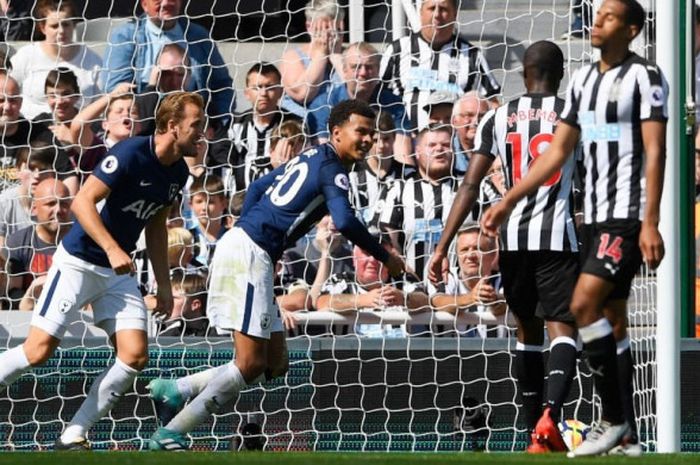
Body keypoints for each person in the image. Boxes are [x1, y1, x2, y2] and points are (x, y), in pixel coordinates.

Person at [147, 99, 405, 450]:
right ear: (336, 132)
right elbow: (344, 221)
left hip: (251, 249)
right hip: (249, 253)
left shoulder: (311, 155)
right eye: (361, 131)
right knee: (250, 363)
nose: (368, 140)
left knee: (275, 362)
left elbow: (255, 188)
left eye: (372, 134)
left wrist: (253, 230)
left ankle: (176, 389)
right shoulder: (334, 168)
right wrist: (385, 256)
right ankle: (172, 432)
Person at [481, 0, 667, 457]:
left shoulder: (646, 78)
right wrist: (508, 197)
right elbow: (557, 151)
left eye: (608, 16)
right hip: (594, 218)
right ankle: (626, 434)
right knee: (616, 321)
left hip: (625, 212)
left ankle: (613, 420)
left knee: (583, 305)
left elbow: (655, 149)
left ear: (633, 29)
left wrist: (650, 221)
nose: (596, 21)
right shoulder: (582, 82)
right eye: (595, 14)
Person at [0, 91, 203, 449]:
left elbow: (157, 225)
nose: (201, 133)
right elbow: (81, 201)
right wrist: (111, 248)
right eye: (195, 125)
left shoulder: (179, 171)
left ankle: (73, 433)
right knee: (38, 351)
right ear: (173, 126)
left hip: (117, 271)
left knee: (135, 355)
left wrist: (165, 285)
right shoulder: (129, 153)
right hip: (79, 261)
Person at [428, 41, 580, 453]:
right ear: (560, 72)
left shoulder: (497, 118)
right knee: (564, 330)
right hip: (558, 237)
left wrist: (442, 247)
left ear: (523, 75)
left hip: (513, 241)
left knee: (527, 332)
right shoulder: (574, 111)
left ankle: (535, 434)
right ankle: (551, 417)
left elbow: (470, 185)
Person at [380, 125, 499, 281]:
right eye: (432, 145)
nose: (439, 149)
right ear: (417, 152)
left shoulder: (479, 186)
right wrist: (401, 267)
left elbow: (500, 227)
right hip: (412, 286)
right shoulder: (398, 189)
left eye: (445, 145)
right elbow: (388, 237)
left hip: (464, 287)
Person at [102, 0, 234, 126]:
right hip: (144, 123)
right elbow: (117, 91)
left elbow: (222, 85)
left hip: (194, 122)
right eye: (158, 0)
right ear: (144, 4)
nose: (165, 3)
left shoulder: (199, 36)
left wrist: (219, 125)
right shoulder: (125, 36)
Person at [379, 0, 501, 129]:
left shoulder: (472, 55)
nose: (437, 14)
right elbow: (378, 95)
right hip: (407, 140)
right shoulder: (397, 50)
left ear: (455, 14)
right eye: (431, 8)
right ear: (421, 13)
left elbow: (492, 103)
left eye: (443, 9)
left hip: (454, 143)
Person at [306, 42, 414, 161]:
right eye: (355, 67)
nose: (363, 73)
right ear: (345, 71)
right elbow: (324, 155)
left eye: (369, 67)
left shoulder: (393, 104)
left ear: (378, 71)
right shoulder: (323, 104)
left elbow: (403, 155)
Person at [316, 232, 429, 337]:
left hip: (400, 353)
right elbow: (322, 302)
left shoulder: (403, 280)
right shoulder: (341, 280)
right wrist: (361, 300)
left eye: (380, 254)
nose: (373, 260)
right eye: (367, 253)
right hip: (350, 354)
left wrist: (404, 298)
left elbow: (425, 301)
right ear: (354, 258)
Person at [9, 0, 102, 119]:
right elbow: (6, 90)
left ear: (74, 25)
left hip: (78, 130)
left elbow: (102, 102)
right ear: (43, 28)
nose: (61, 31)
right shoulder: (26, 56)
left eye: (66, 24)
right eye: (54, 26)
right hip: (32, 130)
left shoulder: (91, 59)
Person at [227, 63, 302, 193]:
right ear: (247, 93)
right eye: (257, 87)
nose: (263, 93)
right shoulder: (235, 125)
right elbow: (225, 164)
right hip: (242, 203)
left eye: (269, 87)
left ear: (281, 91)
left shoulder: (295, 125)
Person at [1, 178, 71, 311]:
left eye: (64, 204)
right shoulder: (18, 242)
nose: (58, 210)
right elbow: (13, 296)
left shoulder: (82, 243)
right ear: (34, 208)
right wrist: (31, 294)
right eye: (50, 204)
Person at [0, 73, 77, 194]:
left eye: (13, 100)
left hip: (32, 208)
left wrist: (65, 208)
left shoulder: (39, 133)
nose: (7, 106)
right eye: (1, 100)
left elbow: (68, 177)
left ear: (20, 103)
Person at [428, 226, 506, 337]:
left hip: (500, 353)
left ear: (492, 254)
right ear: (457, 255)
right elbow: (437, 302)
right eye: (464, 250)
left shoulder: (504, 280)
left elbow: (507, 303)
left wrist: (494, 300)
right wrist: (471, 297)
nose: (470, 255)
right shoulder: (447, 277)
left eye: (478, 249)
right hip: (451, 352)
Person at [279, 0, 344, 119]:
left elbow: (357, 93)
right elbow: (302, 94)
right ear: (309, 27)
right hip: (302, 124)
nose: (332, 34)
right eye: (325, 28)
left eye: (337, 28)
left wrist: (336, 55)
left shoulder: (349, 56)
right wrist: (321, 54)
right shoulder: (292, 57)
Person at [136, 43, 192, 136]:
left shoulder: (202, 105)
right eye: (167, 74)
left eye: (180, 74)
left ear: (189, 75)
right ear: (156, 73)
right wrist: (151, 87)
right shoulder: (146, 102)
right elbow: (143, 130)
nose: (174, 81)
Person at [451, 92, 490, 172]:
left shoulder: (500, 150)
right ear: (454, 121)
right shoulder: (446, 154)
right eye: (468, 115)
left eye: (482, 116)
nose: (476, 122)